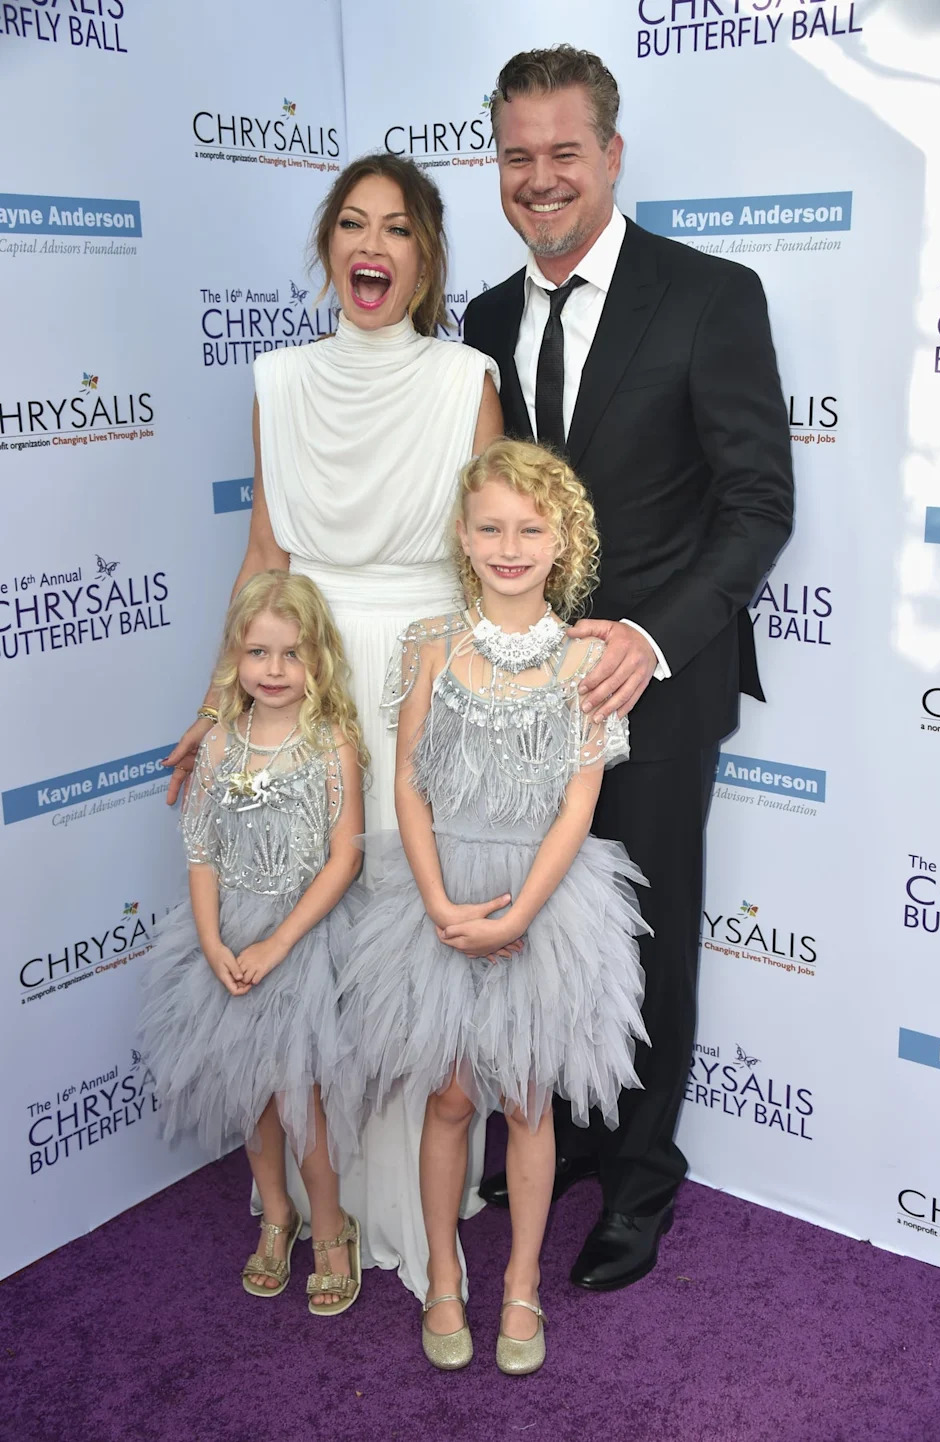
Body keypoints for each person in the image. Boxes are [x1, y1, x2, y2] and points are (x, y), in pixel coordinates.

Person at [463, 46, 794, 1291]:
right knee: (544, 920)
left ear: (611, 153)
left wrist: (648, 641)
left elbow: (758, 501)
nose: (539, 179)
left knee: (649, 935)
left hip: (659, 679)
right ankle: (572, 1136)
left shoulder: (713, 294)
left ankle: (645, 1178)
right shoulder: (485, 322)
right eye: (517, 157)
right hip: (519, 694)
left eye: (563, 152)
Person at [163, 153, 503, 1301]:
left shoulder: (467, 381)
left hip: (419, 669)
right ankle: (319, 1202)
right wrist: (220, 703)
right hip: (301, 676)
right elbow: (266, 555)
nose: (373, 245)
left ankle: (414, 1196)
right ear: (329, 250)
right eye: (352, 225)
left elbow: (484, 561)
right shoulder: (279, 379)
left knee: (404, 944)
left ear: (426, 256)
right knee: (310, 945)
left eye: (397, 228)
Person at [337, 439, 651, 1374]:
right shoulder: (430, 644)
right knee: (446, 1095)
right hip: (436, 890)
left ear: (564, 542)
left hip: (543, 902)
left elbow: (580, 805)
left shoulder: (585, 661)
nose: (509, 546)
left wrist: (515, 918)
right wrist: (437, 900)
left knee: (524, 1097)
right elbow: (405, 785)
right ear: (464, 539)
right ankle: (443, 1273)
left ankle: (519, 1285)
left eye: (530, 529)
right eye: (490, 529)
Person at [140, 572, 366, 1313]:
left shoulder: (330, 742)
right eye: (258, 652)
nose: (273, 670)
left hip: (302, 939)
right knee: (252, 1097)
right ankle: (277, 1213)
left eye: (291, 654)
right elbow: (201, 850)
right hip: (227, 935)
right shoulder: (218, 747)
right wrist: (210, 942)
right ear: (234, 656)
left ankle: (332, 1227)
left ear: (319, 660)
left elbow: (345, 858)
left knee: (302, 1096)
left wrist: (280, 942)